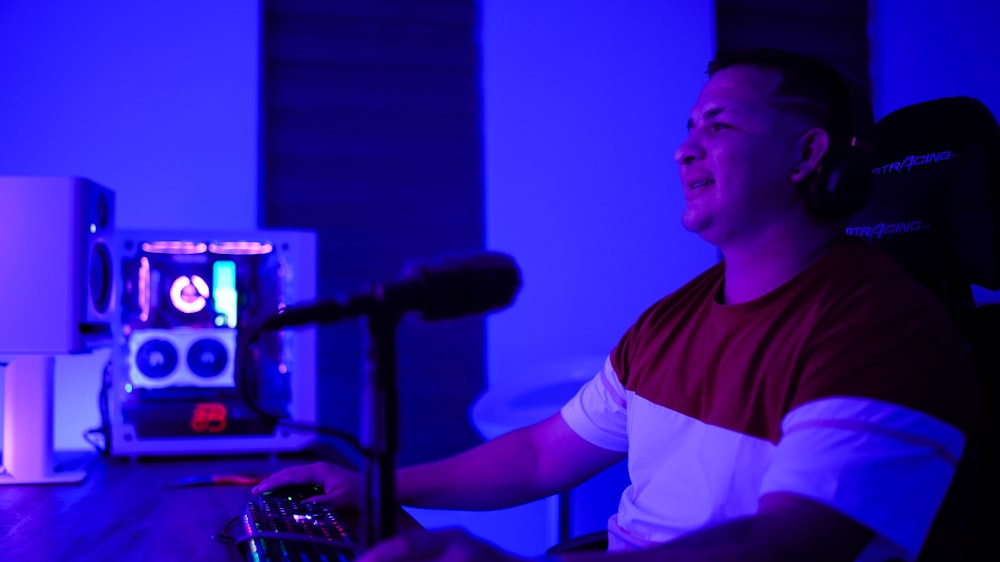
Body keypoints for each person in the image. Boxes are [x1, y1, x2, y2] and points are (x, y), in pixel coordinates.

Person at [252, 48, 980, 561]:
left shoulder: (881, 327)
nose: (684, 151)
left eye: (719, 127)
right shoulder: (670, 320)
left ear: (807, 154)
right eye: (689, 128)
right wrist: (373, 486)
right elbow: (541, 455)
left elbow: (787, 544)